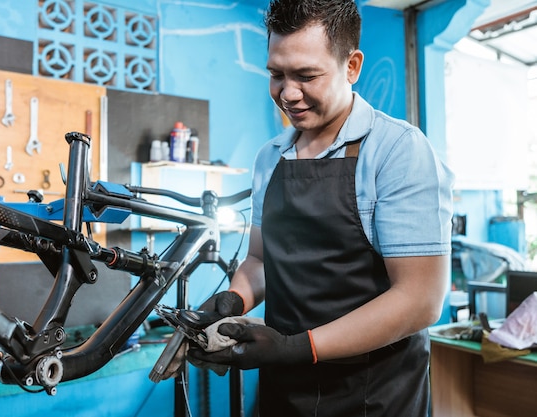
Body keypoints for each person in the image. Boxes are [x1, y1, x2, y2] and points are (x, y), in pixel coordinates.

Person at [189, 0, 454, 416]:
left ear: (351, 66)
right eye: (276, 75)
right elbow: (260, 258)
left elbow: (420, 298)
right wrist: (234, 299)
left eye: (306, 76)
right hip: (285, 387)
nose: (287, 93)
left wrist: (298, 347)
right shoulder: (270, 157)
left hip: (374, 394)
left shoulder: (398, 151)